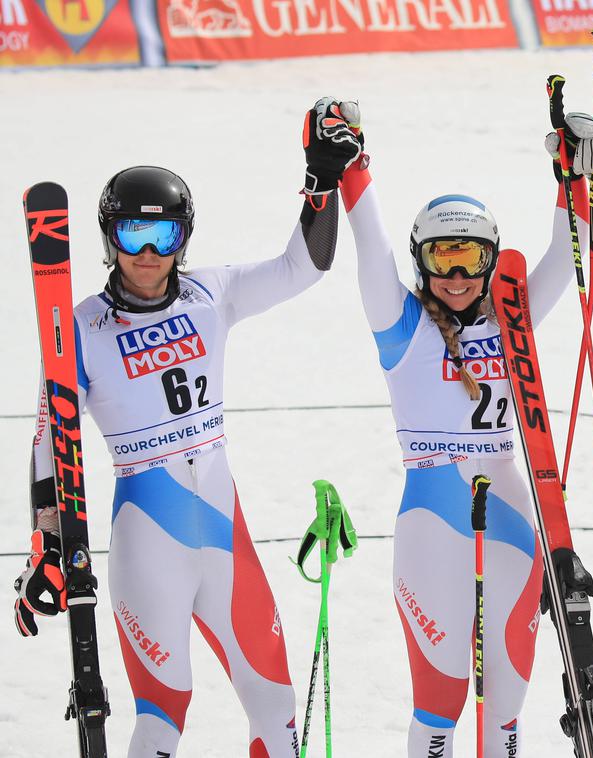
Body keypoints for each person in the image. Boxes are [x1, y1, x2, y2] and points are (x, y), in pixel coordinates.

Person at [12, 98, 362, 757]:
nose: (147, 256)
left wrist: (322, 181)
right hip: (148, 542)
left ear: (185, 238)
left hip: (226, 538)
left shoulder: (213, 294)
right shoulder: (81, 329)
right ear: (108, 238)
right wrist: (48, 544)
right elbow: (47, 443)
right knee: (163, 715)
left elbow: (303, 268)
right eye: (132, 238)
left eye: (164, 238)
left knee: (275, 706)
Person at [337, 105, 593, 757]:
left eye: (471, 259)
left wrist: (571, 177)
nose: (456, 277)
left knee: (506, 712)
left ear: (491, 261)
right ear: (420, 262)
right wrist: (351, 167)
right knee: (440, 705)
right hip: (432, 524)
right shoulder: (400, 326)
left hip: (516, 521)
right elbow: (368, 246)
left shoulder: (511, 317)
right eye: (442, 259)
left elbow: (565, 254)